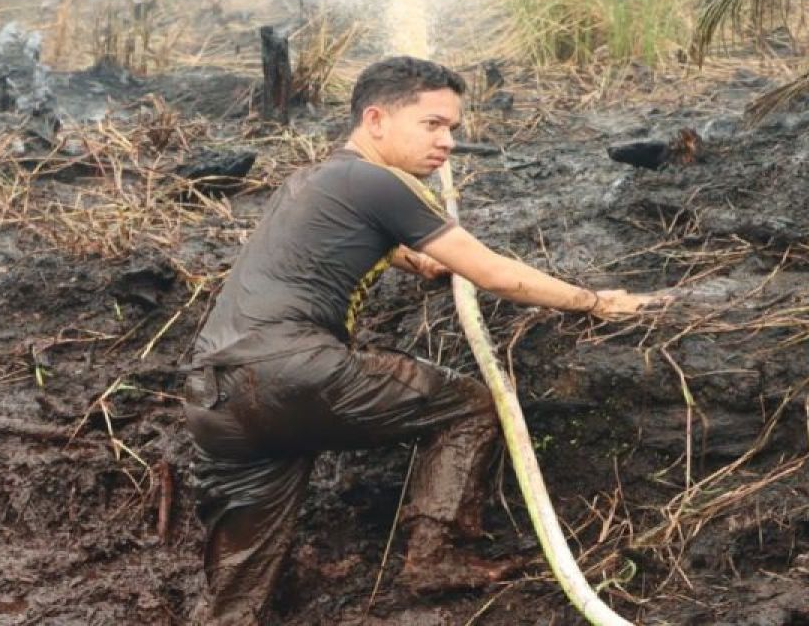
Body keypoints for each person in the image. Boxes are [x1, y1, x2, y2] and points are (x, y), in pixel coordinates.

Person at [182, 56, 664, 624]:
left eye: (453, 129)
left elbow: (343, 248)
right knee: (471, 406)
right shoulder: (379, 181)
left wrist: (415, 258)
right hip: (293, 370)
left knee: (239, 589)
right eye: (433, 124)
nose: (448, 143)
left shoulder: (313, 180)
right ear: (376, 119)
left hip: (214, 398)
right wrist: (595, 300)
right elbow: (494, 274)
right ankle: (433, 557)